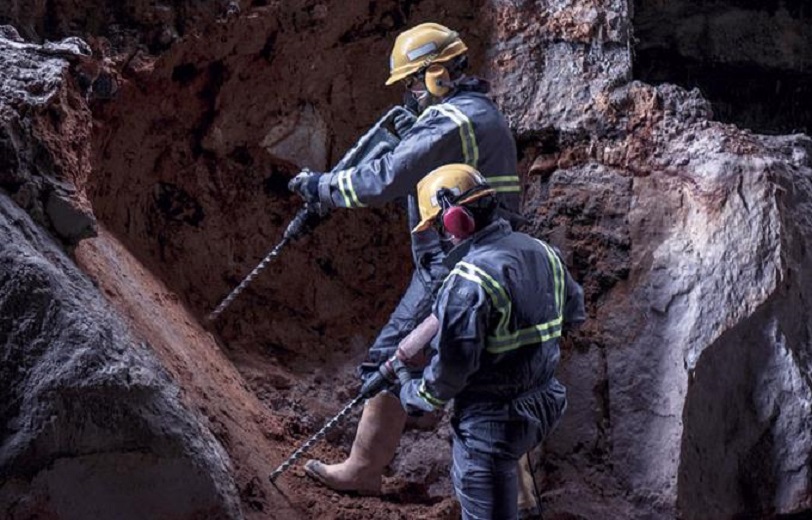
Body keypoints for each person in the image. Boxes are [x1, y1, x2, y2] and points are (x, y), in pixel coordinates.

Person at [288, 22, 521, 496]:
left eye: (415, 81)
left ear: (437, 74)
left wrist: (324, 188)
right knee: (494, 381)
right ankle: (518, 496)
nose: (412, 93)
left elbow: (387, 177)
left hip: (453, 264)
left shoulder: (452, 120)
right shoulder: (478, 114)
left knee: (388, 362)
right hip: (484, 255)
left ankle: (362, 470)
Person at [398, 164, 586, 519]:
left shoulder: (468, 281)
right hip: (543, 403)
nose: (442, 236)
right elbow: (573, 315)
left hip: (492, 425)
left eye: (439, 226)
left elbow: (447, 379)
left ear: (455, 221)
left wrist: (411, 391)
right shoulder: (544, 251)